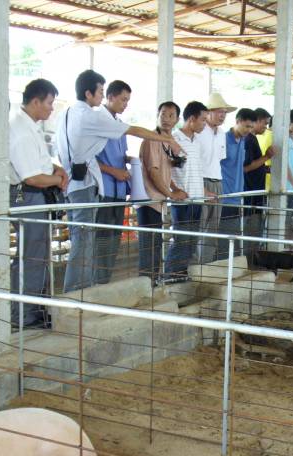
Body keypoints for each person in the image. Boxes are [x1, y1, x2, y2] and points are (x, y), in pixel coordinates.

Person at [56, 69, 180, 292]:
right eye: (101, 91)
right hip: (92, 186)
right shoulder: (93, 117)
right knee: (88, 241)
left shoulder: (68, 114)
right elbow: (134, 131)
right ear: (89, 93)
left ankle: (92, 288)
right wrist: (166, 139)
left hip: (90, 185)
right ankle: (79, 291)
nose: (103, 96)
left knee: (95, 239)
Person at [9, 78, 69, 329]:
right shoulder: (20, 131)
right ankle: (23, 314)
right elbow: (31, 177)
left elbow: (40, 162)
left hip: (36, 194)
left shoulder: (29, 126)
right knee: (32, 255)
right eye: (49, 103)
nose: (51, 108)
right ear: (35, 101)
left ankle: (34, 309)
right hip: (28, 195)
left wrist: (56, 169)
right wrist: (58, 179)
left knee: (38, 253)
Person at [139, 101, 187, 284]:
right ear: (157, 116)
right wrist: (171, 193)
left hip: (158, 200)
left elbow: (165, 171)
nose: (166, 119)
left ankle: (152, 283)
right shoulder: (152, 139)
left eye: (171, 115)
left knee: (156, 244)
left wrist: (174, 188)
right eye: (163, 114)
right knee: (150, 246)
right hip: (149, 199)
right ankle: (147, 286)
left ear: (177, 120)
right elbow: (153, 171)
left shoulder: (168, 142)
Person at [163, 101, 208, 280]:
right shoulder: (173, 139)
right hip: (182, 200)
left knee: (191, 241)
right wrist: (174, 190)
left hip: (197, 198)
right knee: (181, 240)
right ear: (192, 119)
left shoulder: (197, 142)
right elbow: (166, 169)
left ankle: (181, 275)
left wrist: (204, 191)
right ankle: (169, 276)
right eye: (203, 120)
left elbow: (196, 170)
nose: (204, 124)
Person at [95, 80, 132, 285]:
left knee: (114, 239)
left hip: (119, 190)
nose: (125, 104)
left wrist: (131, 162)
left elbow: (121, 155)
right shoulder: (97, 121)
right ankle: (97, 281)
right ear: (110, 97)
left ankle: (105, 280)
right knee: (101, 238)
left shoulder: (119, 124)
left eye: (127, 100)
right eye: (123, 99)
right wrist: (113, 171)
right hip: (104, 189)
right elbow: (88, 159)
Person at [197, 92, 236, 263]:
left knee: (213, 227)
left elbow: (220, 159)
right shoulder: (198, 131)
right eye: (220, 111)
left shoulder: (221, 133)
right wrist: (200, 187)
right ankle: (195, 264)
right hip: (201, 180)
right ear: (209, 112)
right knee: (199, 225)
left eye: (225, 112)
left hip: (217, 180)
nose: (223, 115)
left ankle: (206, 263)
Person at [219, 108, 256, 255]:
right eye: (247, 126)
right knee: (223, 237)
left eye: (251, 127)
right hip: (224, 195)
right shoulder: (223, 139)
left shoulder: (243, 140)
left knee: (232, 235)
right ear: (237, 121)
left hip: (237, 195)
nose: (249, 130)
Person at [243, 108, 274, 263]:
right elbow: (247, 167)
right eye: (264, 123)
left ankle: (252, 256)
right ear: (256, 122)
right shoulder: (249, 140)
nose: (266, 127)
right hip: (250, 190)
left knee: (255, 225)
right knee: (251, 225)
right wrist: (266, 157)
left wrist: (264, 165)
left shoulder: (252, 139)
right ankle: (249, 258)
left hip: (255, 190)